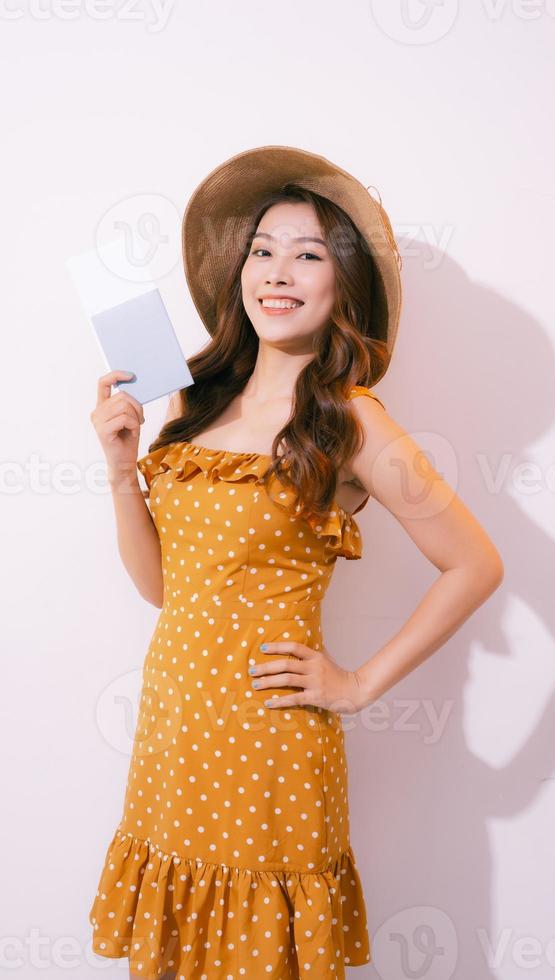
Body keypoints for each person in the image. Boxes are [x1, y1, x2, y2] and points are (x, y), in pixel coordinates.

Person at [87, 145, 504, 980]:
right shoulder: (191, 402)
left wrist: (356, 684)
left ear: (342, 282)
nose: (278, 273)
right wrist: (121, 468)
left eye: (308, 254)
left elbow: (475, 564)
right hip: (175, 736)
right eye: (263, 250)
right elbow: (162, 587)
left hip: (272, 747)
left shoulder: (350, 421)